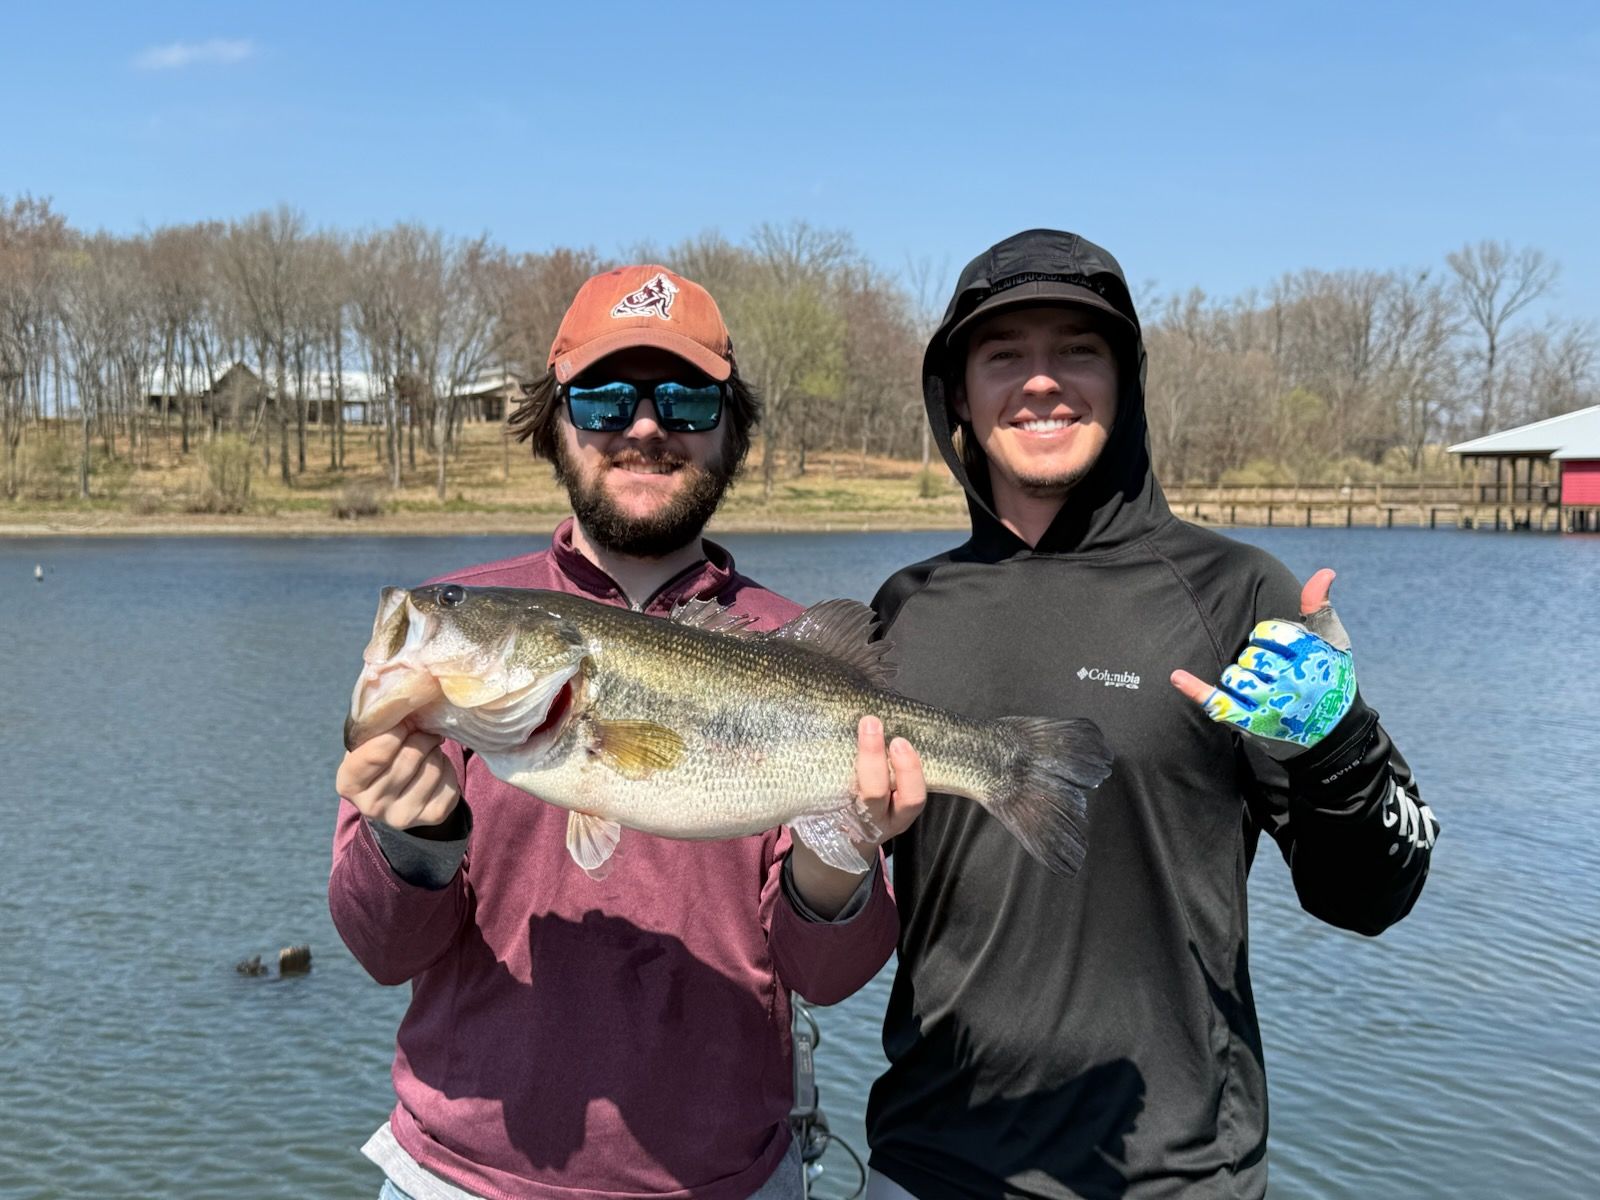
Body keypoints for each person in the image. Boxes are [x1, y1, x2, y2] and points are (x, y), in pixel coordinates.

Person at [862, 230, 1440, 1199]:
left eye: (1076, 351)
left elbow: (1372, 898)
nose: (1040, 382)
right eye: (1003, 355)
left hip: (1171, 1173)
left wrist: (1337, 743)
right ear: (957, 395)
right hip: (926, 1161)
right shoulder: (902, 607)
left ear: (1123, 382)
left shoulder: (1232, 591)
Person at [330, 264, 924, 1200]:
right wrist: (412, 843)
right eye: (605, 398)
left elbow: (829, 972)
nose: (645, 426)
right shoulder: (446, 670)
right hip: (456, 1179)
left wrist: (843, 853)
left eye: (686, 398)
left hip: (725, 1181)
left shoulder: (791, 652)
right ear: (554, 422)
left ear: (731, 429)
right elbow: (380, 949)